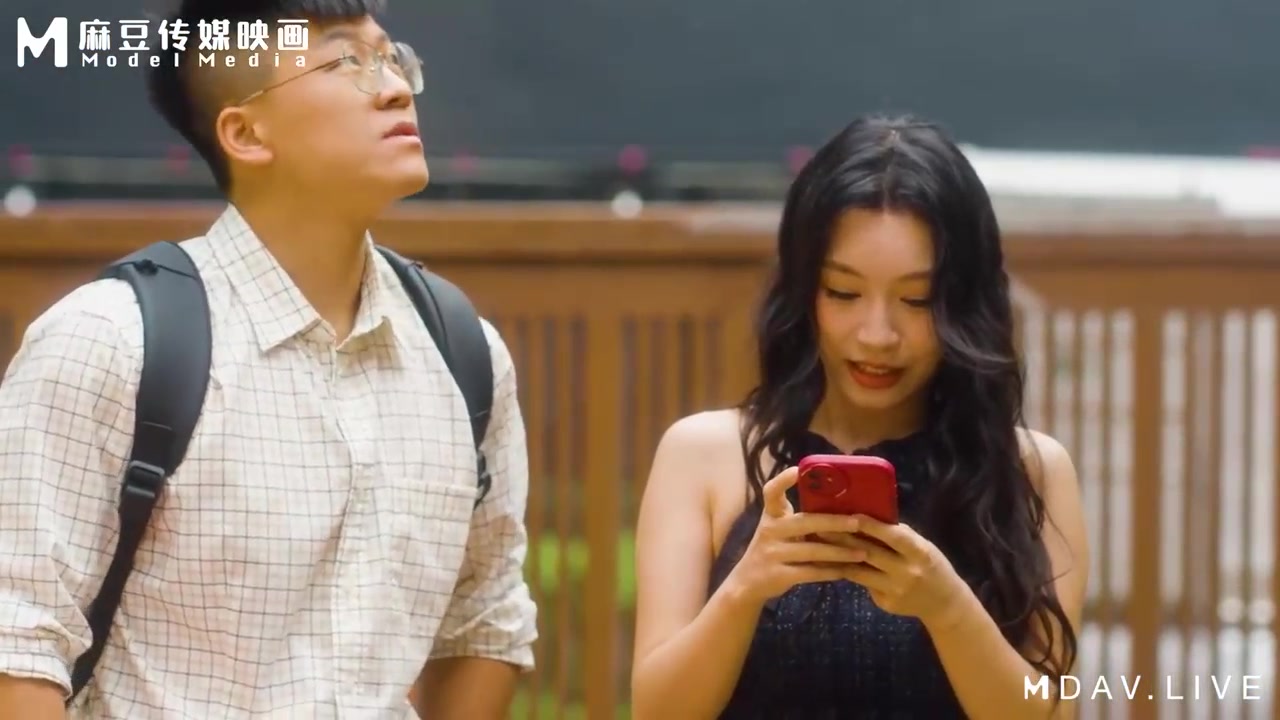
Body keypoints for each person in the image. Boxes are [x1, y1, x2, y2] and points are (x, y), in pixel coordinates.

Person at [0, 1, 536, 718]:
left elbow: (486, 619)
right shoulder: (109, 339)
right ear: (246, 134)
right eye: (347, 62)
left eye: (392, 58)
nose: (394, 89)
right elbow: (19, 642)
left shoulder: (464, 353)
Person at [631, 115, 1089, 719]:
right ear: (803, 291)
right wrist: (745, 587)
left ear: (965, 305)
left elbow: (1050, 712)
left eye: (917, 300)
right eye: (843, 293)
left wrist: (947, 608)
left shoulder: (1030, 470)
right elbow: (656, 711)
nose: (877, 335)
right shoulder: (702, 455)